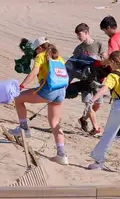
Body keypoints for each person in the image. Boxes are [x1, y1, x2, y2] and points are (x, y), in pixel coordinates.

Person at [8, 37, 69, 165]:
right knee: (54, 122)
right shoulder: (58, 56)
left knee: (18, 98)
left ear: (40, 48)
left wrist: (21, 86)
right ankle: (62, 155)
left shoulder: (41, 56)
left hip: (48, 90)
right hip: (61, 91)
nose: (35, 53)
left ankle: (24, 128)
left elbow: (34, 72)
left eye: (36, 50)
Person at [73, 24, 106, 135]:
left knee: (98, 104)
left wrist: (96, 59)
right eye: (77, 35)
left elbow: (105, 59)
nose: (78, 37)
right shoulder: (79, 49)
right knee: (89, 104)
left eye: (79, 34)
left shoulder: (98, 44)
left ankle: (83, 119)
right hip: (85, 80)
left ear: (86, 32)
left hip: (98, 80)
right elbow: (73, 64)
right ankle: (96, 128)